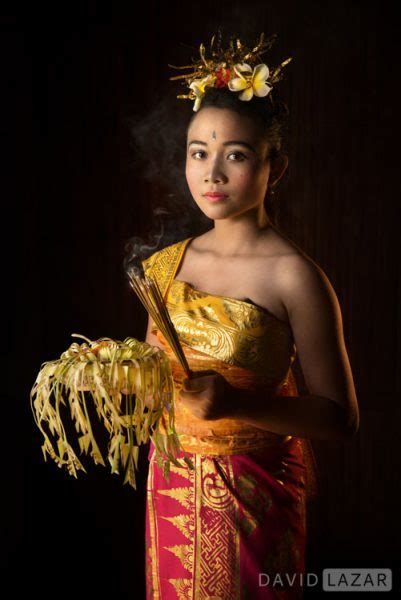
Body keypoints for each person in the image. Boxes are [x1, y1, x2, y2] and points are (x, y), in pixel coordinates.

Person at [140, 32, 359, 599]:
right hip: (170, 491)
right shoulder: (165, 266)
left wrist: (237, 405)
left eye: (235, 155)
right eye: (198, 153)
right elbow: (153, 383)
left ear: (274, 167)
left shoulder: (294, 276)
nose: (212, 174)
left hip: (252, 504)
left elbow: (339, 419)